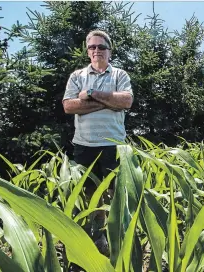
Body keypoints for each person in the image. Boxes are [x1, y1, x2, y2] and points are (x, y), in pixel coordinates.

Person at [62, 30, 133, 255]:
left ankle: (118, 240)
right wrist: (108, 102)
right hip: (84, 146)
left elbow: (127, 100)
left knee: (116, 194)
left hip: (113, 146)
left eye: (101, 47)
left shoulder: (119, 75)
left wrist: (91, 93)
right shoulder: (77, 76)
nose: (96, 51)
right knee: (90, 195)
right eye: (92, 47)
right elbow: (69, 106)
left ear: (109, 50)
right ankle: (97, 239)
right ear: (87, 51)